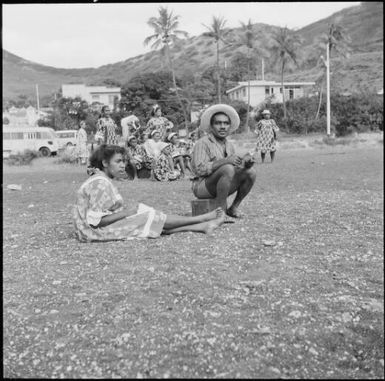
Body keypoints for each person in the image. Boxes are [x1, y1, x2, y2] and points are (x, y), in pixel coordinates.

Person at [73, 144, 225, 242]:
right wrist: (127, 213)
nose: (123, 165)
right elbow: (96, 221)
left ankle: (201, 226)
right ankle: (202, 218)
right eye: (118, 161)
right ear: (105, 163)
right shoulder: (100, 183)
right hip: (92, 232)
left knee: (146, 216)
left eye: (124, 161)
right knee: (146, 215)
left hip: (91, 229)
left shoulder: (101, 178)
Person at [191, 104, 257, 218]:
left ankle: (233, 208)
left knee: (251, 172)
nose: (223, 127)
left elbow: (234, 168)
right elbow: (199, 170)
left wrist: (246, 164)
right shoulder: (203, 143)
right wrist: (225, 161)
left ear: (229, 127)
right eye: (218, 123)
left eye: (226, 123)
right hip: (202, 186)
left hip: (221, 184)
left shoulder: (229, 145)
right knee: (227, 168)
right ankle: (220, 212)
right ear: (211, 126)